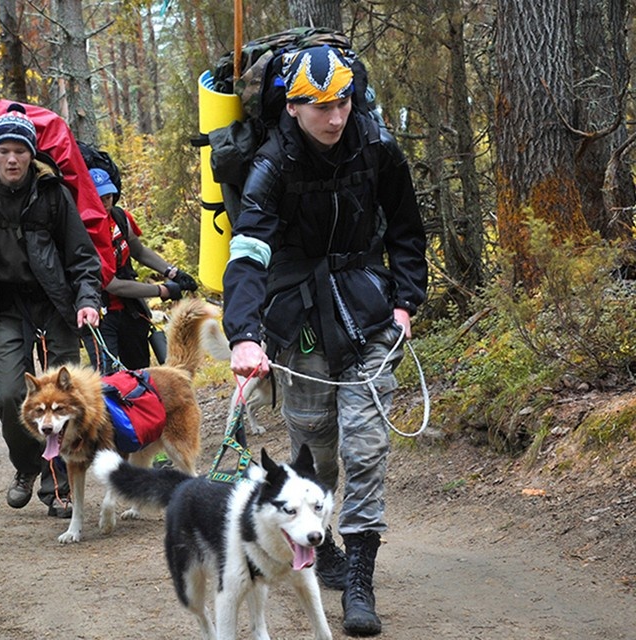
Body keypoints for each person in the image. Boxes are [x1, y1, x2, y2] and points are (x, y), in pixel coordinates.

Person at [222, 45, 427, 637]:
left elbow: (408, 229)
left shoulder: (377, 147)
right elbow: (249, 254)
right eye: (319, 107)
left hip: (368, 311)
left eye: (341, 102)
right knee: (318, 448)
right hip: (299, 316)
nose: (334, 118)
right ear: (292, 107)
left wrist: (406, 301)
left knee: (366, 447)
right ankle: (324, 540)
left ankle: (358, 582)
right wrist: (244, 335)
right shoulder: (271, 164)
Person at [0, 102, 101, 518]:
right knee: (8, 395)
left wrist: (88, 301)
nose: (12, 158)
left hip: (56, 304)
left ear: (31, 154)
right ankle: (26, 467)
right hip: (7, 308)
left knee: (66, 400)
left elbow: (83, 257)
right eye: (4, 151)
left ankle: (60, 487)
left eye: (20, 150)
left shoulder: (53, 196)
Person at [81, 168, 198, 374]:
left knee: (140, 370)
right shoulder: (84, 230)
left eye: (108, 196)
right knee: (108, 377)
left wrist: (173, 272)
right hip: (100, 313)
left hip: (130, 310)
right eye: (100, 198)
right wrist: (162, 290)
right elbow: (112, 284)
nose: (105, 202)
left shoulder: (119, 218)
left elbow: (139, 251)